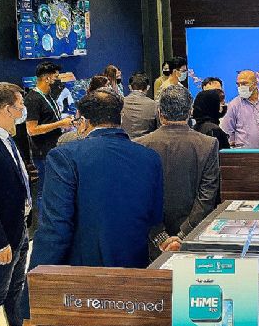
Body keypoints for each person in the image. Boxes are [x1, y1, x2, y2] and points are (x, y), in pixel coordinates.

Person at [29, 89, 164, 269]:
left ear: (84, 122)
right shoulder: (150, 157)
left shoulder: (64, 157)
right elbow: (155, 218)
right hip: (135, 267)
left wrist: (36, 276)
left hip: (84, 272)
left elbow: (55, 228)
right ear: (120, 118)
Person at [137, 86, 220, 254]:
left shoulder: (139, 145)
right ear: (190, 112)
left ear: (160, 113)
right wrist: (183, 235)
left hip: (150, 242)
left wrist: (160, 237)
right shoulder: (208, 144)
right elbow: (206, 197)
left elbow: (140, 197)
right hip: (193, 237)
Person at [0, 84, 33, 326]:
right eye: (20, 106)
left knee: (15, 286)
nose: (23, 111)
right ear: (7, 109)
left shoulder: (10, 138)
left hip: (20, 227)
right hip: (3, 237)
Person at [24, 62, 74, 209]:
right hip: (42, 152)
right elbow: (32, 129)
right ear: (47, 78)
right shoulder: (33, 99)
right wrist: (59, 124)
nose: (58, 80)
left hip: (52, 147)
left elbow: (49, 120)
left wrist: (63, 123)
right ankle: (42, 220)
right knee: (44, 191)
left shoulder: (48, 95)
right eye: (56, 77)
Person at [220, 69, 259, 148]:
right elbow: (227, 131)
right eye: (238, 84)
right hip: (243, 153)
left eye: (244, 83)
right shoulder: (233, 105)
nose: (240, 87)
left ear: (255, 83)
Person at [56, 76, 112, 146]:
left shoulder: (109, 103)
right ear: (100, 88)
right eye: (107, 85)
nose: (110, 87)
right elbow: (78, 119)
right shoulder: (86, 102)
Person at [121, 72, 158, 139]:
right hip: (146, 143)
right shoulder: (154, 105)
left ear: (130, 87)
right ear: (148, 87)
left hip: (123, 142)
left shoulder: (120, 103)